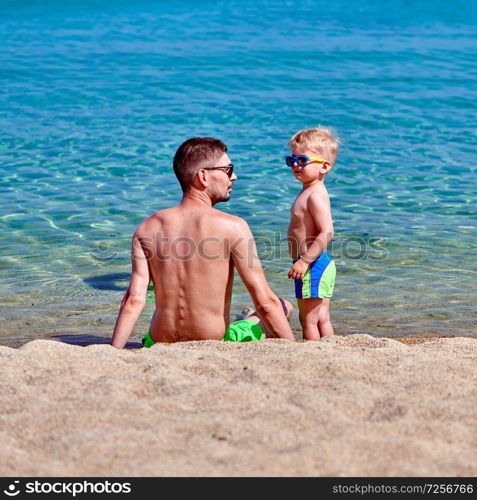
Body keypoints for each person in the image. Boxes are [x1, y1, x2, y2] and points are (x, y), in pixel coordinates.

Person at [111, 137, 295, 348]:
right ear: (203, 176)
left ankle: (245, 317)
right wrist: (293, 348)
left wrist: (114, 351)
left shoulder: (147, 227)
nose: (234, 177)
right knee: (284, 306)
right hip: (215, 342)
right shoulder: (233, 227)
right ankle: (246, 319)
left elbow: (134, 299)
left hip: (157, 342)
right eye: (228, 170)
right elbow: (265, 303)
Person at [286, 126, 340, 340]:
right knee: (321, 317)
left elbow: (327, 232)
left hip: (312, 263)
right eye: (292, 160)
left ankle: (314, 353)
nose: (296, 165)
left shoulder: (314, 195)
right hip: (318, 263)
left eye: (302, 160)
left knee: (308, 319)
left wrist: (304, 262)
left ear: (324, 166)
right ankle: (331, 348)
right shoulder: (309, 190)